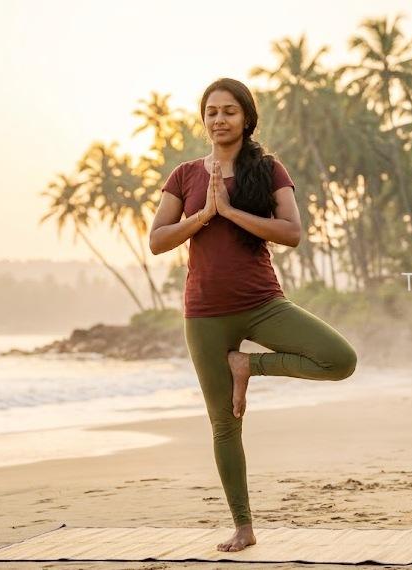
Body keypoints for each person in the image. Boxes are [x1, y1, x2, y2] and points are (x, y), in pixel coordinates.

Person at [148, 78, 358, 553]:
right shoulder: (184, 175)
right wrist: (204, 215)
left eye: (229, 111)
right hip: (204, 314)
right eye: (211, 112)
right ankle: (243, 526)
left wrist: (231, 211)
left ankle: (249, 366)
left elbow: (292, 232)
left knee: (340, 359)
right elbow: (157, 240)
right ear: (203, 120)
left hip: (263, 304)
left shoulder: (268, 169)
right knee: (224, 425)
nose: (219, 119)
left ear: (246, 118)